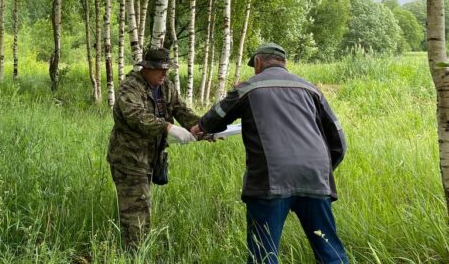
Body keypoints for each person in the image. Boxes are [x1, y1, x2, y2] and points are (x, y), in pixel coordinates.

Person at [192, 43, 348, 264]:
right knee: (328, 248)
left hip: (271, 179)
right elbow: (339, 140)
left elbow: (213, 119)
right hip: (315, 176)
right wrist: (323, 170)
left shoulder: (248, 87)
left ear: (258, 63)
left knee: (264, 253)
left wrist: (199, 127)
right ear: (284, 63)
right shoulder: (312, 89)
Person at [107, 47, 199, 250]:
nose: (164, 74)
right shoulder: (130, 88)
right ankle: (135, 254)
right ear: (146, 68)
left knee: (141, 205)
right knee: (137, 209)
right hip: (129, 157)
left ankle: (137, 250)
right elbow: (137, 116)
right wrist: (167, 127)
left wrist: (200, 127)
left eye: (167, 69)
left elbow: (180, 109)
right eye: (160, 69)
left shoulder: (165, 86)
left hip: (151, 157)